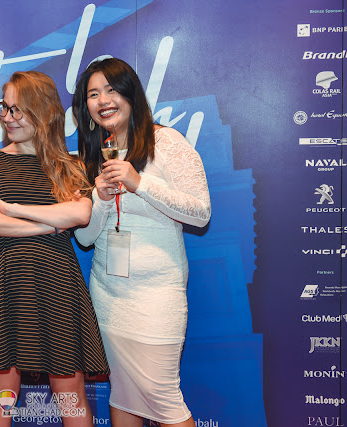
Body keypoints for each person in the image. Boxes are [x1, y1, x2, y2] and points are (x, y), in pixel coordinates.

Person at [0, 71, 109, 427]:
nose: (8, 118)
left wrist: (13, 210)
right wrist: (46, 225)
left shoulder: (67, 164)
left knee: (71, 397)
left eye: (17, 110)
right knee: (1, 400)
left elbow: (80, 212)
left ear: (43, 113)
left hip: (56, 285)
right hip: (3, 285)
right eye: (4, 109)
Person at [72, 58, 211, 427]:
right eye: (93, 93)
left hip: (157, 297)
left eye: (112, 89)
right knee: (123, 395)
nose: (103, 99)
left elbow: (200, 213)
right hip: (107, 296)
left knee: (164, 400)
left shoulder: (165, 142)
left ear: (131, 93)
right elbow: (84, 237)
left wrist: (140, 183)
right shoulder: (93, 153)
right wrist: (100, 198)